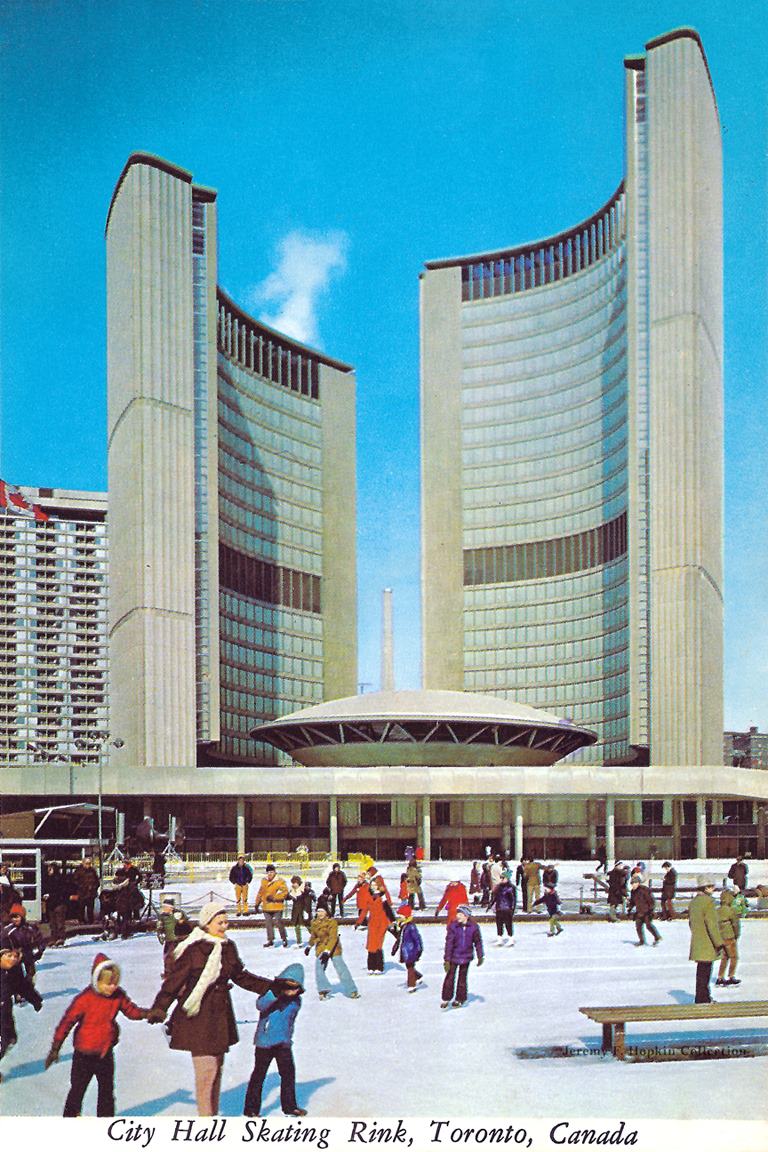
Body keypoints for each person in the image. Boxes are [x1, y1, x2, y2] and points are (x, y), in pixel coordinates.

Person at [147, 901, 275, 1116]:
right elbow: (174, 981)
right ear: (207, 923)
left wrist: (272, 987)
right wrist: (160, 1007)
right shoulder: (194, 949)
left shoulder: (228, 948)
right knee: (207, 1073)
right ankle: (206, 1124)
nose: (224, 926)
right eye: (220, 922)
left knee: (216, 1071)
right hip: (198, 1017)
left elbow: (241, 976)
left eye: (226, 922)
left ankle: (211, 1117)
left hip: (220, 1016)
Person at [45, 952, 148, 1116]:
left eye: (115, 983)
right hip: (83, 1055)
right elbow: (67, 1022)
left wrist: (148, 1014)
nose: (112, 987)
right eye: (108, 984)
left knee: (106, 1092)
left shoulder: (117, 996)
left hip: (105, 1053)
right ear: (96, 980)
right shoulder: (85, 999)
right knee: (77, 1090)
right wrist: (55, 1047)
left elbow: (131, 1011)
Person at [243, 963, 307, 1118]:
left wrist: (288, 1038)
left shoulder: (296, 1002)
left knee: (288, 1074)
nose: (291, 991)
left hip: (283, 1043)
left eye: (295, 988)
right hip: (265, 1041)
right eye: (288, 987)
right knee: (259, 1074)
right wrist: (276, 994)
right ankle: (251, 1109)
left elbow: (290, 1020)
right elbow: (260, 1005)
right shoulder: (271, 995)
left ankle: (290, 1107)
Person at [1, 947, 43, 1082]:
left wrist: (35, 1000)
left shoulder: (14, 970)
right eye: (8, 956)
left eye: (15, 956)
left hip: (5, 1011)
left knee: (11, 1039)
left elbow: (23, 986)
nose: (12, 959)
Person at [306, 906, 360, 999]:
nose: (320, 914)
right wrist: (309, 946)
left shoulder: (332, 922)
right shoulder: (314, 923)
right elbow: (313, 936)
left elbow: (333, 938)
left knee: (340, 967)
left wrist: (327, 951)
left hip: (334, 948)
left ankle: (352, 990)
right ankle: (323, 989)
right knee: (319, 967)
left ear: (326, 912)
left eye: (322, 911)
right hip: (321, 948)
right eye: (318, 911)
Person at [688, 876, 724, 1004]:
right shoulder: (708, 903)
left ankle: (700, 997)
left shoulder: (693, 902)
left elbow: (691, 923)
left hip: (697, 940)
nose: (713, 889)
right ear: (706, 887)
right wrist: (719, 943)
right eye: (711, 886)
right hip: (708, 942)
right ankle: (704, 999)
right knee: (706, 971)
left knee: (701, 971)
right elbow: (712, 925)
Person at [441, 905, 483, 1009]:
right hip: (453, 956)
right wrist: (447, 959)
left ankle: (460, 998)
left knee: (462, 979)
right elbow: (449, 943)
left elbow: (478, 942)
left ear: (466, 916)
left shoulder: (474, 927)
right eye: (457, 914)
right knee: (449, 978)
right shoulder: (453, 926)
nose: (457, 916)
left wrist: (480, 955)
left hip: (466, 956)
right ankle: (446, 998)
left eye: (460, 914)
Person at [355, 874, 393, 974]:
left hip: (382, 923)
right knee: (371, 944)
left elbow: (388, 910)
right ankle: (371, 966)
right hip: (372, 923)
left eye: (374, 885)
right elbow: (364, 910)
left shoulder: (383, 896)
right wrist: (359, 922)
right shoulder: (369, 895)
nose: (372, 886)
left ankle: (379, 967)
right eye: (371, 885)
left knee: (378, 944)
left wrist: (391, 923)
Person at [1, 904, 45, 985]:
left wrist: (40, 949)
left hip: (27, 951)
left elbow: (39, 938)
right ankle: (17, 989)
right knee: (16, 973)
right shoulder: (8, 929)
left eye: (17, 917)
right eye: (13, 917)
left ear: (22, 917)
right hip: (14, 953)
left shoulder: (30, 928)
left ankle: (29, 984)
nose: (15, 920)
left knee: (30, 970)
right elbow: (3, 940)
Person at [254, 864, 290, 947]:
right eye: (268, 872)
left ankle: (284, 938)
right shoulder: (264, 881)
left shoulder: (280, 881)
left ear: (275, 872)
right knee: (268, 923)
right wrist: (257, 904)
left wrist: (274, 898)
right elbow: (260, 893)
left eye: (271, 872)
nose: (270, 874)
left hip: (277, 906)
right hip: (266, 906)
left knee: (278, 921)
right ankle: (270, 940)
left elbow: (284, 892)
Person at [156, 896, 191, 975]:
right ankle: (168, 972)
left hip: (179, 939)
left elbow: (185, 923)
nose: (163, 908)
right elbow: (160, 926)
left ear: (170, 908)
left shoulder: (178, 913)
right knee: (167, 956)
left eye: (165, 907)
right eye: (163, 907)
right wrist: (160, 931)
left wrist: (182, 921)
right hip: (169, 939)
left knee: (180, 955)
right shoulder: (162, 916)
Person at [394, 903, 424, 992]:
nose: (399, 917)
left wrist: (419, 950)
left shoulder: (411, 926)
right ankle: (417, 976)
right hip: (405, 951)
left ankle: (412, 985)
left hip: (411, 951)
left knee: (410, 967)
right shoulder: (402, 925)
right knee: (409, 966)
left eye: (401, 916)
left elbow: (417, 939)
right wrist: (395, 948)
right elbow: (399, 939)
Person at [715, 887, 742, 987]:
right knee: (734, 957)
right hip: (730, 937)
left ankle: (720, 977)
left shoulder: (717, 910)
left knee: (724, 957)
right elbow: (735, 924)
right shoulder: (731, 911)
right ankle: (731, 976)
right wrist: (736, 935)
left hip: (721, 937)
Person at [628, 876, 661, 946]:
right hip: (639, 911)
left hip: (647, 911)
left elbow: (651, 901)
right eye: (632, 883)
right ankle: (641, 941)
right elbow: (632, 901)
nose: (633, 885)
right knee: (638, 926)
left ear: (638, 883)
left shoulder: (645, 890)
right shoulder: (633, 891)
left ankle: (657, 937)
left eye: (634, 883)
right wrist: (630, 908)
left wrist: (651, 910)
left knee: (648, 925)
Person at [42, 862, 69, 947]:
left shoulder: (60, 879)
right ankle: (53, 938)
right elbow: (43, 888)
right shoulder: (46, 879)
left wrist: (50, 895)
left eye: (51, 869)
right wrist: (44, 895)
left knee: (60, 922)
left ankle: (60, 938)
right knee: (52, 922)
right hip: (50, 903)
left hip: (59, 903)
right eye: (48, 869)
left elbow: (62, 891)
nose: (49, 871)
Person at [487, 874, 516, 944]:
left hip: (507, 908)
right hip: (499, 908)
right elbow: (495, 897)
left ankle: (510, 938)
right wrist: (490, 905)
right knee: (499, 924)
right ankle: (499, 938)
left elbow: (513, 899)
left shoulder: (511, 887)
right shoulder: (498, 887)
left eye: (503, 878)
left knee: (508, 924)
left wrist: (512, 908)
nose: (502, 879)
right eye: (501, 878)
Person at [73, 857, 100, 924]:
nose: (88, 865)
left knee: (90, 908)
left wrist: (94, 887)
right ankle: (81, 920)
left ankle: (91, 920)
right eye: (87, 863)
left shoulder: (93, 871)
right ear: (83, 863)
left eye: (89, 863)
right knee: (81, 908)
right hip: (82, 893)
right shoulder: (79, 871)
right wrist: (82, 887)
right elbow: (74, 881)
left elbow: (97, 881)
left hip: (91, 893)